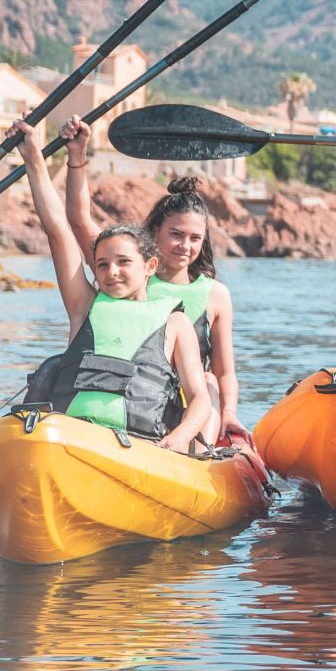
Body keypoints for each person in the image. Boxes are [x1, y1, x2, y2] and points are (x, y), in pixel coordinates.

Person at [7, 118, 216, 452]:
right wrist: (33, 157)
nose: (111, 272)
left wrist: (177, 439)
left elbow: (199, 399)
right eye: (101, 264)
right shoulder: (84, 305)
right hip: (69, 443)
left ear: (150, 266)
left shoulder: (175, 322)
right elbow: (59, 229)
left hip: (140, 448)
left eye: (123, 263)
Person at [61, 117, 244, 440]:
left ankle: (202, 460)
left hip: (186, 404)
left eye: (194, 238)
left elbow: (224, 370)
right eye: (176, 234)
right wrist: (77, 158)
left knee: (209, 382)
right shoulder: (125, 273)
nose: (185, 246)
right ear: (155, 232)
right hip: (132, 393)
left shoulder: (215, 294)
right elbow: (78, 220)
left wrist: (229, 414)